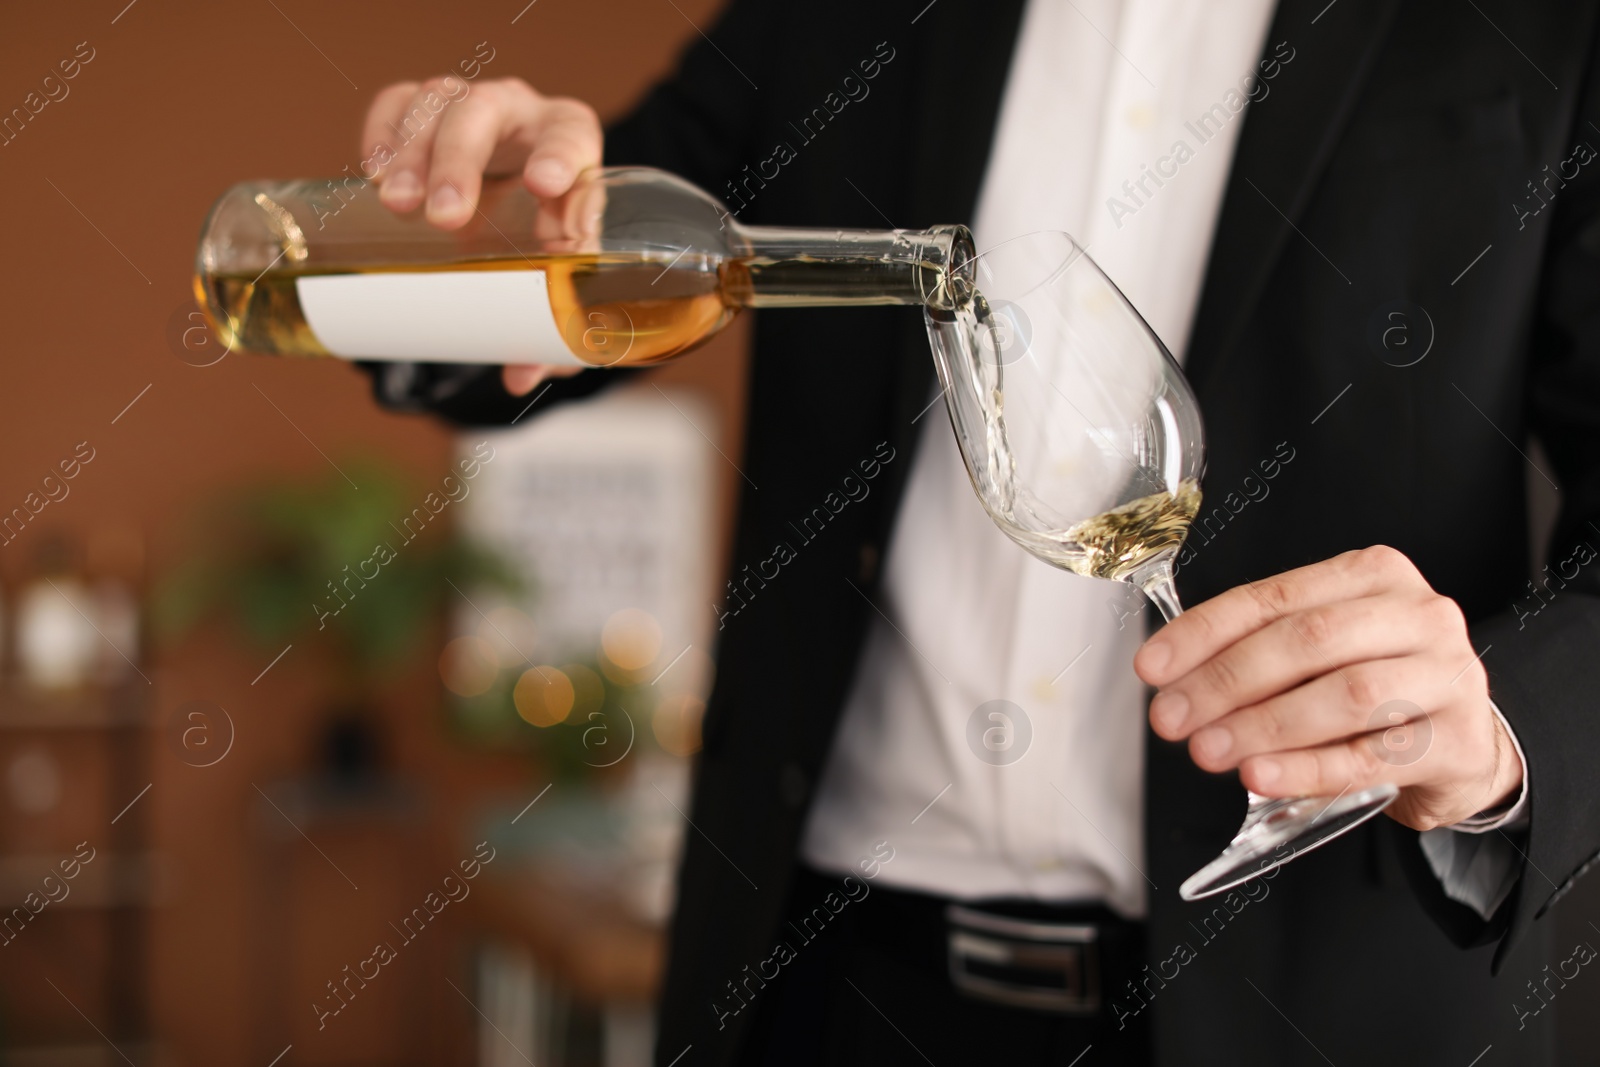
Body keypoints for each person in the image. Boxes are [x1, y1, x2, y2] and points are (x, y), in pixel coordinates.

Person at [354, 0, 1600, 1063]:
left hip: (1315, 1003)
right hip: (827, 987)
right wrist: (456, 238)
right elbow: (551, 287)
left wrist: (1493, 727)